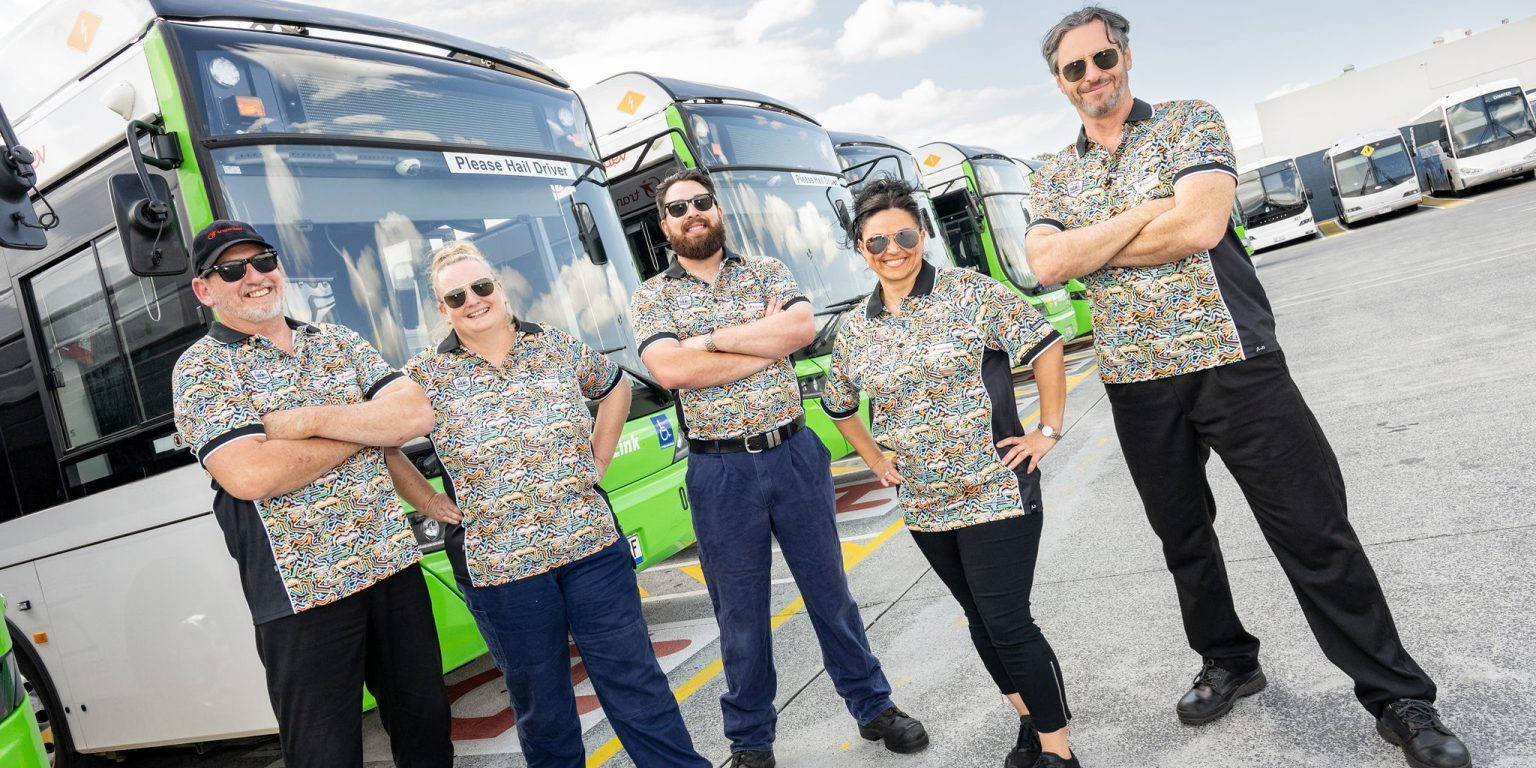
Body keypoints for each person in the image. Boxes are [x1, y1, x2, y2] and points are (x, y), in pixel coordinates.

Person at [1023, 8, 1470, 768]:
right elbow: (1046, 266)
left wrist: (1092, 242)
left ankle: (1398, 697)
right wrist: (1143, 213)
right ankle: (1229, 660)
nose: (1093, 75)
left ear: (1126, 56)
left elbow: (1199, 228)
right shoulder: (1050, 171)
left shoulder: (1192, 121)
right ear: (1059, 83)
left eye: (1103, 58)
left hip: (1235, 361)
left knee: (1313, 530)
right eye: (1075, 68)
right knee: (1183, 540)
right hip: (1136, 383)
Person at [629, 169, 928, 768]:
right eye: (678, 207)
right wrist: (752, 343)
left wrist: (707, 343)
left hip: (793, 454)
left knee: (829, 592)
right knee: (738, 614)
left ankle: (874, 707)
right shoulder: (651, 297)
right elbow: (671, 372)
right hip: (720, 473)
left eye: (701, 202)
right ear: (664, 225)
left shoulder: (767, 271)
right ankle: (751, 743)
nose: (692, 213)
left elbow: (799, 329)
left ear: (717, 211)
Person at [384, 242, 710, 768]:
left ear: (501, 288)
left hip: (591, 548)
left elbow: (614, 387)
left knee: (636, 682)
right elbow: (384, 442)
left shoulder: (554, 345)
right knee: (545, 708)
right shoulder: (422, 375)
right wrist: (425, 498)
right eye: (456, 295)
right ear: (442, 309)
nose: (474, 299)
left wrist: (598, 459)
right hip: (503, 571)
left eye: (482, 286)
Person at [171, 220, 451, 768]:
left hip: (391, 568)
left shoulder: (338, 339)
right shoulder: (201, 369)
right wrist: (366, 427)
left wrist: (305, 422)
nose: (254, 276)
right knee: (324, 756)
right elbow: (251, 475)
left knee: (427, 732)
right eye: (232, 269)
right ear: (205, 290)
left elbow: (416, 414)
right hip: (301, 595)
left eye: (264, 260)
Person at [825, 179, 1078, 768]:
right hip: (926, 506)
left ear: (923, 235)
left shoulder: (969, 293)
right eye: (878, 240)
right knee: (980, 621)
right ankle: (1028, 723)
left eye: (906, 235)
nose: (894, 249)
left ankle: (1058, 752)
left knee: (1009, 622)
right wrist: (875, 460)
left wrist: (1048, 430)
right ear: (860, 248)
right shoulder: (856, 330)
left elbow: (1044, 346)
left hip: (995, 490)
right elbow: (838, 404)